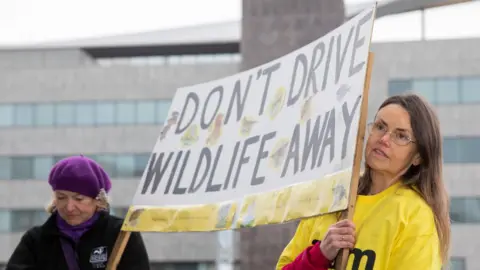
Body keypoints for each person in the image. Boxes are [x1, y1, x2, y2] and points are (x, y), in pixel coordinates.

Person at [277, 94, 450, 270]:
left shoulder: (414, 215)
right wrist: (319, 255)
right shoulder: (333, 196)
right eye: (380, 126)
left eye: (401, 136)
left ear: (418, 156)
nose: (384, 139)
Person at [6, 155, 150, 270]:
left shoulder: (121, 234)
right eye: (61, 197)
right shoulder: (35, 240)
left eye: (79, 199)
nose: (69, 207)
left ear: (98, 200)